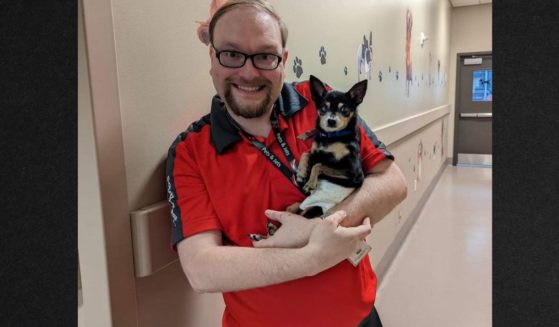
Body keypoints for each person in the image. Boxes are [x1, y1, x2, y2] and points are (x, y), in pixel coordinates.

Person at [166, 1, 407, 326]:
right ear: (212, 57)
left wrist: (310, 229)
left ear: (284, 61)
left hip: (359, 319)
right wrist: (311, 257)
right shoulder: (190, 151)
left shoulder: (322, 104)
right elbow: (201, 269)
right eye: (232, 54)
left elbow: (393, 181)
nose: (249, 72)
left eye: (265, 55)